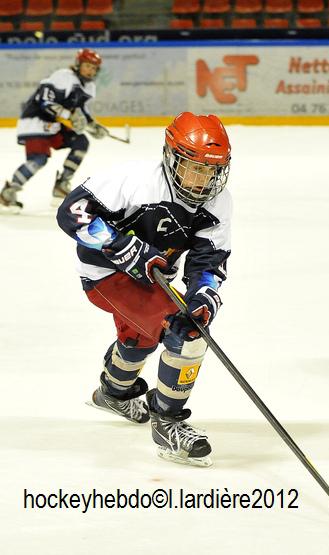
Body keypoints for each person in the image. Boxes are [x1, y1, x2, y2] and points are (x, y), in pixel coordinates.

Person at [56, 112, 232, 466]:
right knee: (186, 336)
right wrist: (121, 245)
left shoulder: (218, 203)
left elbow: (209, 261)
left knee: (143, 337)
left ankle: (114, 393)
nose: (203, 180)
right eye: (194, 168)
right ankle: (167, 423)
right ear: (171, 157)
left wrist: (202, 296)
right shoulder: (132, 180)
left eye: (212, 171)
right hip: (105, 275)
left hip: (150, 280)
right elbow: (71, 212)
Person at [0, 48, 108, 212]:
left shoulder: (89, 86)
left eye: (94, 68)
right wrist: (69, 115)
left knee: (81, 141)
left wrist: (93, 125)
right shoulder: (64, 76)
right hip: (36, 122)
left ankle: (62, 184)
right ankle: (8, 193)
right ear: (78, 64)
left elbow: (80, 111)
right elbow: (45, 102)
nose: (90, 71)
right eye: (87, 66)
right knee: (38, 159)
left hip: (55, 126)